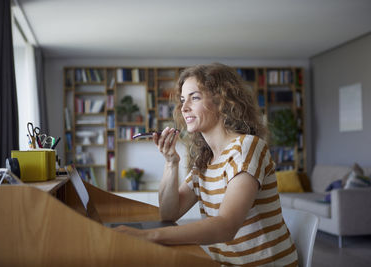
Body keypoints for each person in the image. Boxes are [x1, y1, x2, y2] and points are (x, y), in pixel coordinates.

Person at [115, 63, 298, 266]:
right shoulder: (205, 159)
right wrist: (170, 163)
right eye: (183, 100)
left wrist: (149, 236)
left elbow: (226, 226)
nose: (184, 108)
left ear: (221, 100)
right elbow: (169, 213)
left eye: (194, 97)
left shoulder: (246, 147)